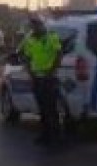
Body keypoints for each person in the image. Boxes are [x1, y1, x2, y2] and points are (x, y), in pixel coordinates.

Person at [20, 16, 64, 145]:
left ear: (42, 25)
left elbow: (59, 54)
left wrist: (51, 71)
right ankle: (45, 134)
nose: (34, 28)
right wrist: (30, 72)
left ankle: (56, 136)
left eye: (37, 25)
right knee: (42, 108)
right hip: (37, 78)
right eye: (33, 26)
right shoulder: (29, 40)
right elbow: (27, 57)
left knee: (51, 108)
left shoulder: (51, 37)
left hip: (49, 78)